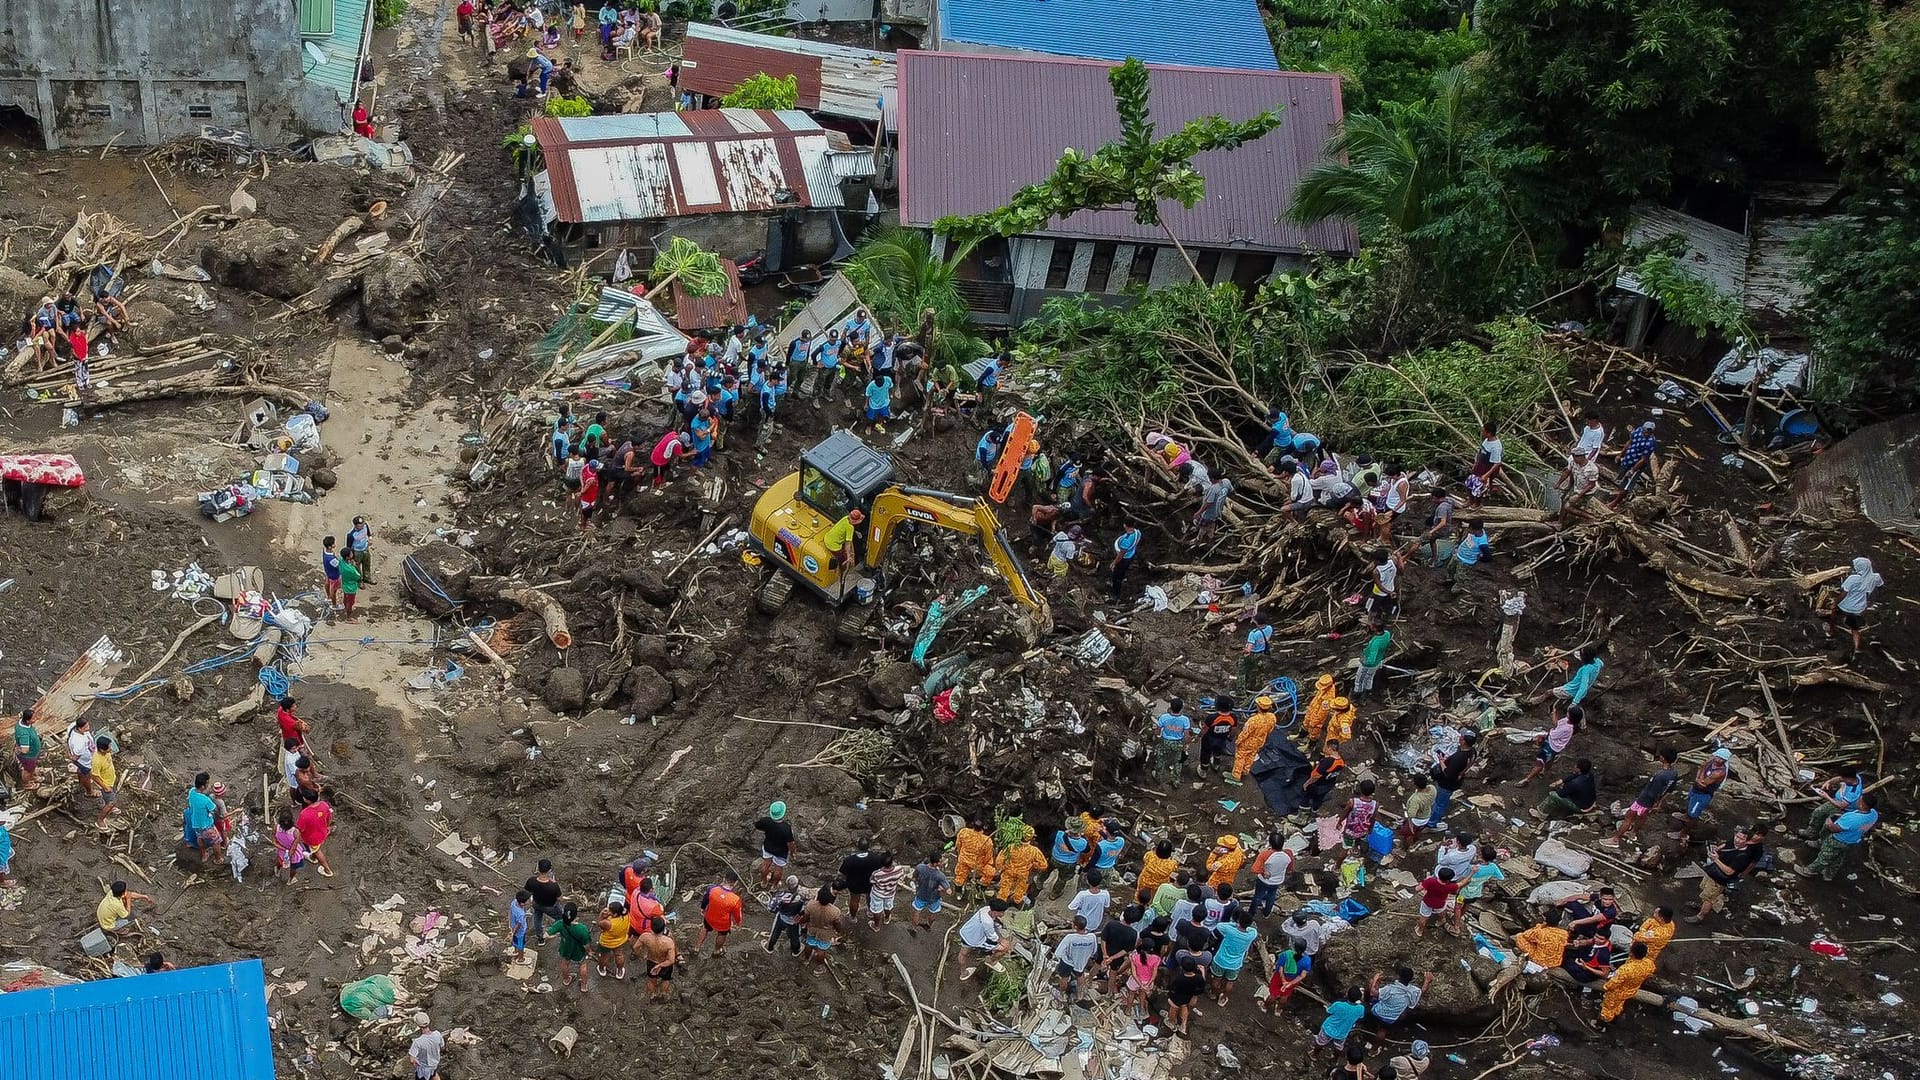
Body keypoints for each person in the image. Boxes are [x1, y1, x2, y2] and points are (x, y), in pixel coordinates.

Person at [1603, 747, 1679, 848]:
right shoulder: (1673, 773)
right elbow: (1670, 790)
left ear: (1663, 758)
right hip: (1652, 802)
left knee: (1628, 818)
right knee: (1643, 816)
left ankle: (1615, 839)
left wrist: (1652, 801)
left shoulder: (1660, 775)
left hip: (1645, 800)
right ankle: (1633, 833)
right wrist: (1659, 802)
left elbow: (1652, 792)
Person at [1689, 824, 1767, 923]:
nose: (1737, 840)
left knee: (1709, 897)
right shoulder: (1736, 843)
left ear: (1746, 841)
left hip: (1719, 878)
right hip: (1713, 871)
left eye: (1741, 839)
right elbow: (1727, 844)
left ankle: (1700, 916)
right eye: (1737, 836)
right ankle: (1702, 905)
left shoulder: (1743, 856)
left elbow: (1729, 872)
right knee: (1705, 890)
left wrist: (1716, 859)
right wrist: (1717, 849)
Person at [1798, 793, 1878, 882]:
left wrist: (1829, 823)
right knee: (1838, 857)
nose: (1857, 800)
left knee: (1825, 856)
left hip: (1839, 839)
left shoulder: (1852, 818)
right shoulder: (1874, 814)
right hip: (1853, 840)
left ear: (1862, 804)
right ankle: (1828, 875)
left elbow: (1835, 829)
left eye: (1860, 799)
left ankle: (1809, 871)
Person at [1671, 747, 1733, 841]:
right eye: (1717, 757)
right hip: (1696, 789)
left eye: (1720, 759)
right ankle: (1686, 816)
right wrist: (1698, 777)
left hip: (1703, 794)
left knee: (1693, 815)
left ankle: (1683, 833)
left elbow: (1703, 783)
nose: (1717, 759)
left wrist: (1701, 773)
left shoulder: (1719, 772)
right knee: (1690, 803)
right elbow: (1700, 771)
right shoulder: (1711, 761)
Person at [1824, 557, 1883, 651]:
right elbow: (1880, 587)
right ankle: (1857, 648)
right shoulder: (1875, 577)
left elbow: (1844, 594)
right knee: (1855, 629)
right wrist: (1870, 601)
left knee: (1834, 613)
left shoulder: (1853, 578)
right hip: (1859, 608)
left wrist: (1835, 603)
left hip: (1845, 606)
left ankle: (1831, 631)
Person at [1450, 844, 1504, 936]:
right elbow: (1501, 877)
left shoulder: (1473, 868)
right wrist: (1487, 878)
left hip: (1463, 892)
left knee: (1458, 906)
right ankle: (1458, 918)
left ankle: (1456, 926)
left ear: (1481, 855)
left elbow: (1463, 878)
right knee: (1467, 905)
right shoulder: (1493, 867)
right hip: (1476, 892)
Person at [1599, 942, 1657, 1024]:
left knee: (1608, 1007)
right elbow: (1649, 974)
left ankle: (1602, 1024)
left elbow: (1613, 984)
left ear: (1631, 953)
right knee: (1620, 1003)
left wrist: (1606, 987)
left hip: (1617, 993)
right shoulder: (1649, 964)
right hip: (1631, 990)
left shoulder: (1625, 970)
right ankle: (1616, 1013)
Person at [1427, 732, 1476, 827]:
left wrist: (1441, 761)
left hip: (1447, 783)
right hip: (1457, 780)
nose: (1459, 738)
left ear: (1464, 741)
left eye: (1461, 738)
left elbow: (1447, 773)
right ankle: (1434, 815)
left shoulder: (1460, 757)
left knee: (1440, 804)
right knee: (1441, 800)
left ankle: (1432, 823)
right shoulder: (1472, 751)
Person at [1608, 421, 1661, 507]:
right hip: (1628, 459)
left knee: (1627, 484)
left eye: (1649, 432)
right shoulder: (1638, 431)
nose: (1646, 433)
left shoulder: (1651, 443)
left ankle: (1615, 503)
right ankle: (1617, 493)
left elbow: (1643, 459)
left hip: (1636, 465)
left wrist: (1632, 470)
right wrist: (1621, 454)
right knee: (1620, 478)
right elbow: (1629, 442)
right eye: (1645, 431)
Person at [1228, 695, 1277, 785]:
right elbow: (1270, 730)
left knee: (1240, 756)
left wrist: (1238, 741)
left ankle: (1236, 775)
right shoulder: (1272, 717)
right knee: (1251, 755)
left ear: (1258, 707)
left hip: (1248, 742)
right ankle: (1245, 771)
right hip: (1260, 741)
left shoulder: (1253, 720)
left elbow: (1245, 733)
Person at [1051, 914, 1100, 1001]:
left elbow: (1058, 953)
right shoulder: (1092, 937)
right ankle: (1080, 994)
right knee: (1080, 975)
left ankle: (1062, 995)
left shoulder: (1070, 938)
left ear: (1075, 926)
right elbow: (1094, 951)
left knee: (1064, 978)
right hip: (1081, 962)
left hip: (1067, 962)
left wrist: (1064, 956)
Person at [838, 838, 889, 921]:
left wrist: (846, 880)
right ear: (868, 847)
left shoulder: (849, 860)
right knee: (870, 897)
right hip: (870, 883)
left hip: (854, 884)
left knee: (854, 901)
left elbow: (841, 874)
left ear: (858, 847)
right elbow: (880, 871)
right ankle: (870, 911)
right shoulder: (876, 858)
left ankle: (853, 917)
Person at [994, 827, 1047, 906]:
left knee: (1004, 890)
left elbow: (999, 861)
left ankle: (1000, 904)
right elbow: (1044, 865)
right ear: (1031, 838)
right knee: (1020, 891)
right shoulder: (1034, 851)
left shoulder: (1010, 847)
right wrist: (1034, 865)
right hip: (1023, 874)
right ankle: (1017, 902)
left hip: (1009, 872)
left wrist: (1002, 868)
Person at [1370, 967, 1433, 1033]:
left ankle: (1368, 1019)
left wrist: (1375, 980)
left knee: (1372, 991)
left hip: (1379, 1013)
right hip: (1392, 1018)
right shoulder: (1413, 991)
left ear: (1399, 977)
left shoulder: (1390, 988)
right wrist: (1427, 981)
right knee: (1384, 1028)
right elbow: (1422, 991)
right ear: (1411, 979)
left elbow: (1373, 993)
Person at [1313, 987, 1369, 1061]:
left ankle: (1314, 1055)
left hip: (1328, 1028)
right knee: (1339, 1047)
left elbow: (1329, 1011)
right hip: (1342, 1033)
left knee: (1320, 1042)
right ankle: (1335, 1059)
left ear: (1347, 995)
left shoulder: (1338, 1004)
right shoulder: (1361, 1009)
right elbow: (1360, 1017)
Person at [1534, 758, 1599, 820]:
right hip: (1590, 801)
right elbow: (1575, 775)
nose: (1574, 766)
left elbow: (1561, 794)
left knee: (1553, 796)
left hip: (1582, 807)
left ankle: (1541, 814)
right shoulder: (1589, 774)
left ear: (1578, 769)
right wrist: (1562, 781)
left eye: (1576, 765)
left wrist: (1558, 788)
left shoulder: (1574, 783)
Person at [695, 870, 744, 953]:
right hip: (723, 922)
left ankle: (697, 947)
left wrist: (702, 908)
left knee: (705, 928)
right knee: (722, 934)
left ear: (724, 879)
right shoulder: (735, 899)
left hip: (709, 917)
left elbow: (705, 899)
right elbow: (737, 914)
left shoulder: (712, 889)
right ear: (735, 883)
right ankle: (717, 950)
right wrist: (738, 923)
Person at [549, 903, 593, 992]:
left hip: (565, 948)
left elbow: (547, 934)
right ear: (576, 914)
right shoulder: (582, 929)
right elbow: (586, 944)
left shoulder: (560, 923)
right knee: (583, 965)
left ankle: (566, 979)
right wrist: (589, 951)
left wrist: (554, 936)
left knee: (565, 963)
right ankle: (584, 985)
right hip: (578, 951)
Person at [1547, 644, 1606, 709]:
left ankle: (1535, 701)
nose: (1579, 655)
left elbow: (1583, 687)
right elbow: (1578, 655)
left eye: (1581, 655)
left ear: (1584, 658)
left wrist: (1574, 703)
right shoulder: (1598, 662)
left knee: (1549, 692)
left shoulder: (1586, 670)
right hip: (1582, 687)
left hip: (1571, 690)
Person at [950, 817, 996, 901]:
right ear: (983, 828)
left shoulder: (963, 832)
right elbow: (988, 857)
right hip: (978, 864)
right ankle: (979, 892)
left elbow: (958, 845)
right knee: (990, 873)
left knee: (959, 876)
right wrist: (983, 864)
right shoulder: (987, 840)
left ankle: (959, 894)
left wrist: (961, 854)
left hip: (964, 860)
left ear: (972, 825)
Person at [957, 898, 1012, 965]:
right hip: (975, 940)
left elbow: (994, 920)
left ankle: (963, 973)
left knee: (963, 953)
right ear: (995, 912)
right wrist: (1003, 941)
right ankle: (990, 961)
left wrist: (998, 924)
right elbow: (992, 937)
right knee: (1004, 949)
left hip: (966, 932)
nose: (1003, 914)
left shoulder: (986, 909)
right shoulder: (988, 922)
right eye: (1002, 912)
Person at [185, 772, 225, 864]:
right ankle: (218, 859)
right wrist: (219, 817)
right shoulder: (205, 800)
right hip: (207, 825)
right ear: (202, 786)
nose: (208, 785)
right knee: (216, 841)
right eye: (207, 783)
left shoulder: (191, 792)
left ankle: (204, 855)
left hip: (196, 823)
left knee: (200, 838)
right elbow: (215, 810)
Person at [1151, 697, 1192, 783]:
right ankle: (1176, 780)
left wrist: (1155, 736)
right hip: (1178, 742)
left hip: (1165, 741)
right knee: (1178, 761)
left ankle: (1158, 777)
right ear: (1181, 708)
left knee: (1161, 759)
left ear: (1170, 707)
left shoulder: (1164, 717)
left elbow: (1158, 730)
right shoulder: (1185, 720)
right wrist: (1186, 744)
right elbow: (1186, 735)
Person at [296, 789, 336, 877]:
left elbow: (299, 829)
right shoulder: (324, 805)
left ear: (306, 800)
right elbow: (330, 815)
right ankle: (312, 857)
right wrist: (327, 826)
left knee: (318, 851)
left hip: (312, 838)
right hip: (322, 833)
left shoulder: (304, 814)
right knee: (315, 849)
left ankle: (327, 870)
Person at [1165, 956, 1207, 1036]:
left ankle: (1172, 1022)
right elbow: (1202, 984)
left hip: (1178, 997)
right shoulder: (1198, 977)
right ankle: (1183, 1025)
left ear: (1182, 967)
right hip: (1189, 996)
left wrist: (1170, 996)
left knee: (1173, 1009)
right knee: (1185, 1007)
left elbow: (1172, 988)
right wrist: (1203, 972)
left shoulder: (1179, 978)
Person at [525, 859, 564, 944]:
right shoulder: (553, 885)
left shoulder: (531, 880)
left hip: (536, 903)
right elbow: (560, 898)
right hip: (550, 906)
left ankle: (540, 939)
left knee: (537, 919)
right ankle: (551, 932)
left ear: (538, 869)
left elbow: (527, 892)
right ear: (549, 870)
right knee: (560, 918)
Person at [1555, 449, 1600, 522]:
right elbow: (1567, 472)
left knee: (1567, 507)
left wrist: (1578, 495)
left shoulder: (1592, 469)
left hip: (1587, 491)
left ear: (1582, 457)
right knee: (1564, 499)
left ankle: (1590, 517)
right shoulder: (1573, 463)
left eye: (1575, 457)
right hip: (1577, 487)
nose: (1574, 459)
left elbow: (1591, 485)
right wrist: (1559, 483)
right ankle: (1560, 522)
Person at [766, 875, 807, 955]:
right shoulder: (803, 896)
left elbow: (770, 908)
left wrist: (776, 910)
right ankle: (795, 951)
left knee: (775, 932)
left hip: (782, 918)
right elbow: (807, 907)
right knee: (795, 936)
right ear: (797, 884)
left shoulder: (780, 896)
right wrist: (801, 914)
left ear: (787, 885)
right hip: (794, 920)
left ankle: (770, 948)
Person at [867, 854, 911, 928]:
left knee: (877, 910)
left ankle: (876, 926)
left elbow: (871, 881)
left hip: (878, 894)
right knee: (888, 906)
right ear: (892, 862)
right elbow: (902, 874)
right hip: (890, 893)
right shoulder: (899, 869)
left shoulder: (877, 873)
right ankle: (886, 919)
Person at [1414, 868, 1460, 938]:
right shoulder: (1451, 886)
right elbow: (1461, 883)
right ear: (1448, 880)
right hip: (1440, 904)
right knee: (1441, 911)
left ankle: (1420, 930)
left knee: (1424, 917)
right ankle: (1440, 921)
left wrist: (1421, 884)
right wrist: (1471, 873)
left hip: (1427, 902)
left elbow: (1417, 889)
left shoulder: (1430, 881)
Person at [1197, 696, 1237, 774]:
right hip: (1222, 739)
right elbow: (1234, 730)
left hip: (1209, 740)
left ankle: (1203, 771)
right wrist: (1231, 737)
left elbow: (1204, 729)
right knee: (1218, 751)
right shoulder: (1233, 717)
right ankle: (1216, 765)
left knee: (1205, 753)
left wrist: (1199, 737)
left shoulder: (1212, 717)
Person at [912, 851, 950, 928]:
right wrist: (941, 889)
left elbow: (914, 878)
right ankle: (929, 925)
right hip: (934, 898)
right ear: (935, 864)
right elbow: (949, 891)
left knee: (917, 912)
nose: (942, 862)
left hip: (920, 895)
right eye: (940, 861)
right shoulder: (940, 875)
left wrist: (917, 883)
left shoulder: (920, 867)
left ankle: (914, 928)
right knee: (933, 912)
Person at [594, 900, 631, 979]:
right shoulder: (626, 914)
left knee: (604, 956)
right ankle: (620, 972)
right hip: (620, 940)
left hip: (606, 943)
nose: (608, 912)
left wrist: (602, 913)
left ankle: (602, 970)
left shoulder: (608, 923)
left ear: (615, 914)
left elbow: (599, 923)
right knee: (619, 955)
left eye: (610, 911)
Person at [1353, 626, 1391, 696]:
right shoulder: (1386, 633)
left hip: (1368, 666)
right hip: (1378, 662)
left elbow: (1371, 660)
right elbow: (1388, 645)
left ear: (1374, 628)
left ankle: (1357, 696)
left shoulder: (1376, 643)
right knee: (1369, 678)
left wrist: (1363, 661)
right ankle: (1367, 693)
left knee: (1360, 681)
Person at [89, 736, 117, 827]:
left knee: (110, 799)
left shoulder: (106, 753)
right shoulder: (96, 761)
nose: (110, 748)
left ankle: (110, 808)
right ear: (102, 749)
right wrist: (105, 787)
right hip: (105, 784)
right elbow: (94, 776)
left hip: (111, 780)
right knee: (111, 802)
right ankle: (100, 820)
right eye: (109, 747)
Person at [1194, 475, 1233, 540]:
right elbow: (1232, 491)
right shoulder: (1226, 481)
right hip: (1218, 511)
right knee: (1212, 522)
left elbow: (1208, 503)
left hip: (1208, 512)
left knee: (1203, 526)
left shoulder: (1213, 489)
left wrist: (1199, 512)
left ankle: (1199, 538)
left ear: (1212, 479)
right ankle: (1210, 535)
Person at [1239, 621, 1273, 693]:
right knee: (1259, 671)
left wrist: (1243, 651)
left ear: (1257, 622)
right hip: (1263, 653)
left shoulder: (1253, 633)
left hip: (1254, 654)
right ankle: (1257, 686)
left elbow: (1248, 650)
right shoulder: (1269, 628)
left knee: (1242, 669)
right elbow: (1267, 639)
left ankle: (1241, 691)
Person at [408, 1014, 444, 1080]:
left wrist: (416, 1060)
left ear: (418, 1025)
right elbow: (442, 1046)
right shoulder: (437, 1034)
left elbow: (412, 1060)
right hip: (434, 1065)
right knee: (434, 1075)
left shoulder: (417, 1042)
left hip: (423, 1069)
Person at [12, 708, 41, 791]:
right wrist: (18, 749)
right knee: (27, 770)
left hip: (33, 754)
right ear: (28, 721)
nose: (36, 719)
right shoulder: (24, 734)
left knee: (31, 768)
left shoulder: (22, 722)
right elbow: (25, 750)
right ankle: (27, 784)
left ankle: (32, 777)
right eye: (34, 718)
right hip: (28, 756)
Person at [1110, 524, 1141, 598]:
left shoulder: (1126, 540)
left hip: (1124, 559)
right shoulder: (1137, 532)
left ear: (1125, 525)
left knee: (1117, 576)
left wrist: (1114, 563)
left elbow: (1121, 554)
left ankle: (1115, 594)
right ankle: (1121, 578)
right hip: (1131, 555)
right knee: (1122, 570)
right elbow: (1137, 541)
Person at [345, 516, 374, 584]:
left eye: (362, 525)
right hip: (357, 551)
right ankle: (359, 580)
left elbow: (369, 534)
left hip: (365, 548)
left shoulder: (365, 526)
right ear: (355, 526)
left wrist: (370, 539)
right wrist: (351, 557)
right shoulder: (351, 535)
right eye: (359, 526)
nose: (361, 527)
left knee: (367, 563)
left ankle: (367, 578)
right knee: (357, 566)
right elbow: (348, 547)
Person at [338, 549, 362, 620]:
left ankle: (346, 607)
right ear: (347, 557)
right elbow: (358, 577)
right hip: (351, 587)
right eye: (351, 554)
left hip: (345, 584)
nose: (352, 554)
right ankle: (349, 616)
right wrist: (354, 566)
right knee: (350, 602)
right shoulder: (351, 570)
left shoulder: (341, 561)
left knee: (346, 598)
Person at [507, 889, 530, 960]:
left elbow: (510, 911)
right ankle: (521, 958)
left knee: (515, 941)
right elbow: (519, 925)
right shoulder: (521, 914)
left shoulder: (514, 902)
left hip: (512, 925)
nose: (529, 901)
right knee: (521, 945)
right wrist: (514, 933)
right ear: (522, 903)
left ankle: (515, 951)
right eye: (528, 900)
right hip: (520, 931)